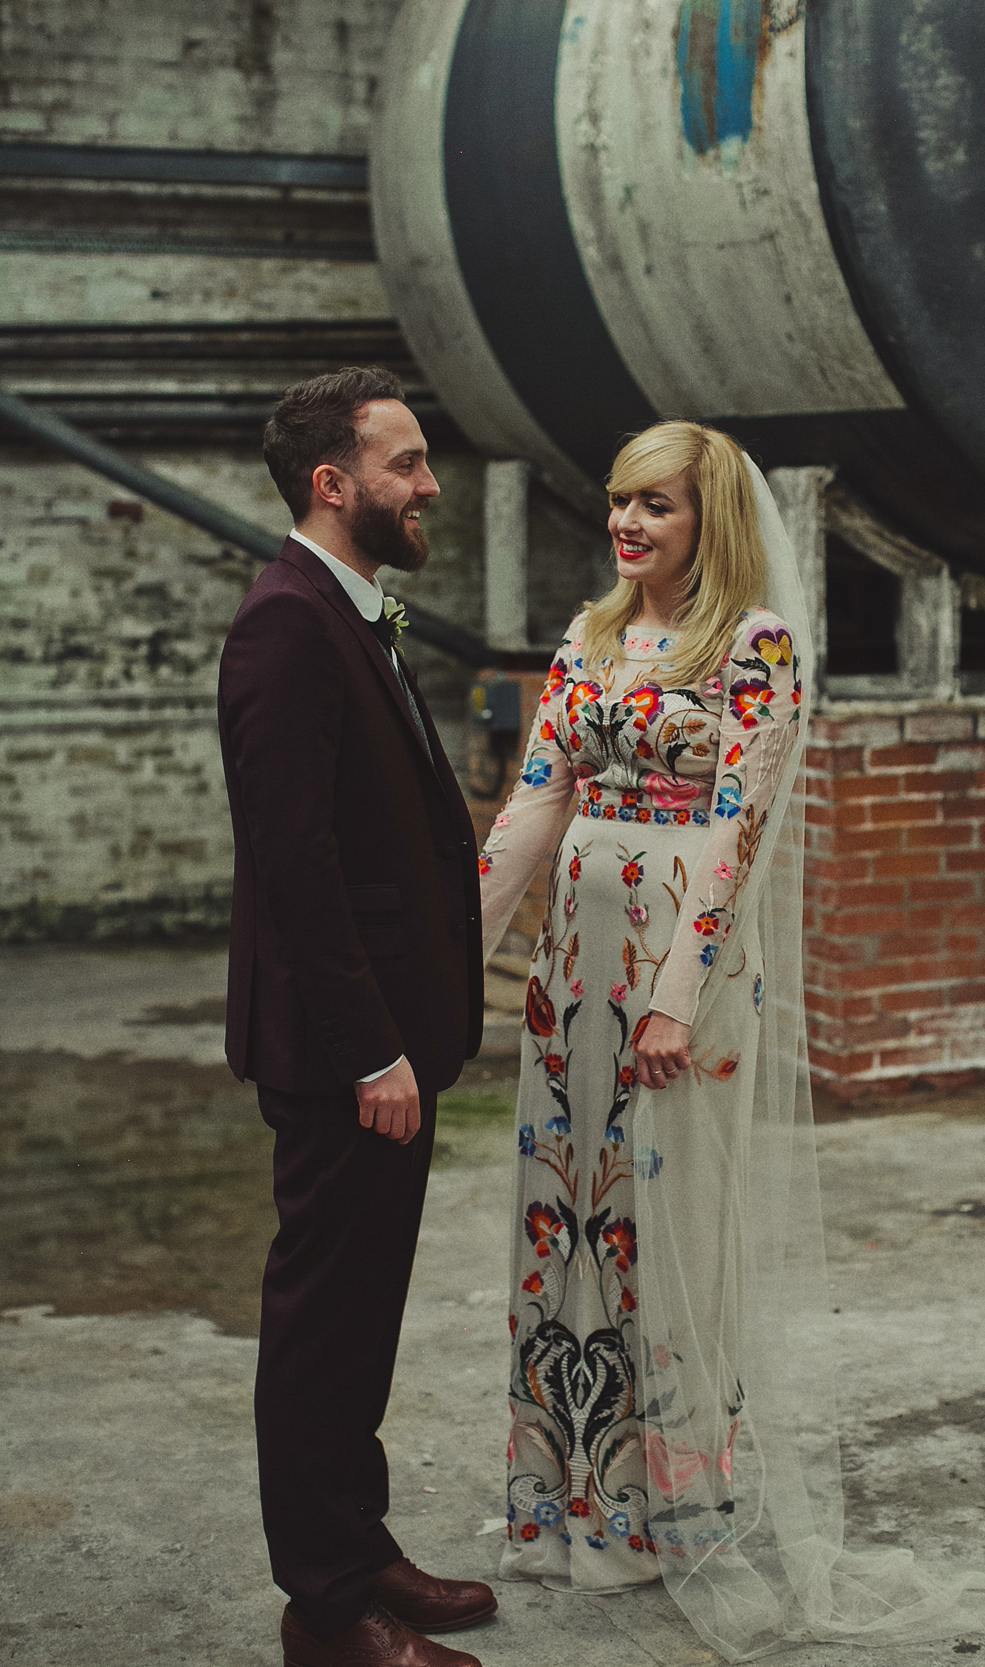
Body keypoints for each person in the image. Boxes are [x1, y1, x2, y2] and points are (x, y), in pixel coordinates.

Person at [477, 422, 985, 1660]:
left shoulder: (758, 647)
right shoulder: (590, 636)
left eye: (655, 506)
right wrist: (455, 949)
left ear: (707, 517)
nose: (626, 523)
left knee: (672, 1227)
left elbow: (736, 832)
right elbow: (536, 802)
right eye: (620, 501)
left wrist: (679, 993)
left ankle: (673, 1507)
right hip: (574, 968)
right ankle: (572, 1505)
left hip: (688, 969)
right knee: (565, 1214)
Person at [218, 367, 496, 1667]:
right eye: (404, 462)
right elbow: (296, 863)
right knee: (324, 1319)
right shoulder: (284, 624)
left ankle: (359, 1543)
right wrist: (371, 1047)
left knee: (366, 1312)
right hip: (348, 1060)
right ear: (333, 485)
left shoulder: (350, 612)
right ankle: (328, 1612)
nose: (429, 482)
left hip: (393, 1045)